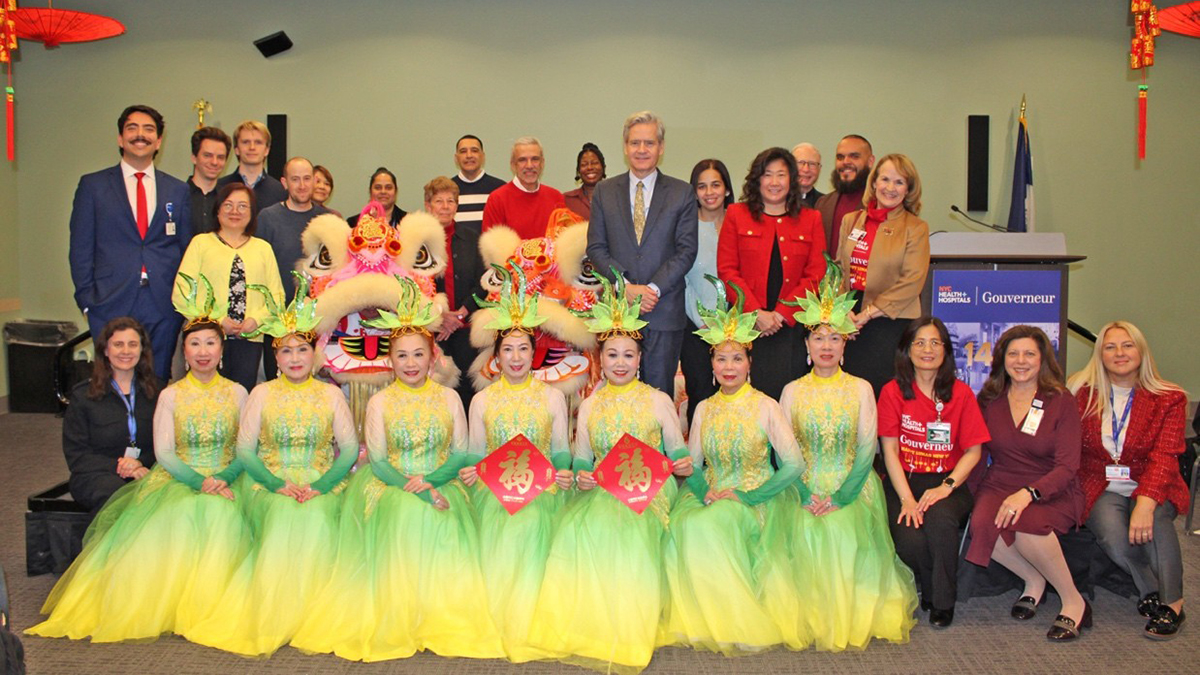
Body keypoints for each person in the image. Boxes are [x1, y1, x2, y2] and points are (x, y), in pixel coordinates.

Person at [291, 280, 502, 661]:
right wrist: (419, 488)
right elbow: (380, 459)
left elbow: (460, 453)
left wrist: (435, 481)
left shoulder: (450, 397)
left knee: (443, 521)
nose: (410, 363)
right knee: (406, 513)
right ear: (391, 360)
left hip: (442, 480)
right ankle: (401, 611)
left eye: (418, 354)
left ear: (432, 357)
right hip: (393, 483)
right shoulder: (381, 402)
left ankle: (437, 612)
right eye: (402, 356)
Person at [28, 281, 250, 642]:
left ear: (222, 349)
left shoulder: (161, 389)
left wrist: (217, 478)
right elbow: (159, 451)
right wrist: (196, 482)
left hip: (216, 474)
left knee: (224, 519)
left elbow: (243, 447)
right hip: (155, 473)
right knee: (159, 517)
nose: (203, 351)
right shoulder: (160, 394)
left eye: (211, 343)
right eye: (195, 343)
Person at [181, 274, 358, 657]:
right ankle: (275, 609)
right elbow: (245, 451)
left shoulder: (331, 394)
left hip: (321, 481)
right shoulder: (260, 394)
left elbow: (348, 450)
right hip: (270, 482)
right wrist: (277, 484)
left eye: (302, 351)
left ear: (315, 355)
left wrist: (321, 487)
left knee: (316, 517)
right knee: (284, 518)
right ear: (275, 358)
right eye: (286, 352)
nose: (295, 359)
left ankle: (314, 611)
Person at [527, 275, 696, 672]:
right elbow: (583, 456)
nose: (620, 363)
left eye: (628, 355)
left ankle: (631, 619)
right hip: (604, 489)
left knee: (628, 528)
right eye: (612, 355)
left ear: (640, 359)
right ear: (600, 359)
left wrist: (683, 464)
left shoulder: (657, 400)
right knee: (580, 528)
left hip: (651, 490)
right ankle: (591, 620)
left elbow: (678, 453)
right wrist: (584, 474)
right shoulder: (589, 405)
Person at [766, 259, 918, 651]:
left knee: (839, 528)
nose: (827, 346)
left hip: (851, 484)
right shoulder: (791, 391)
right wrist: (803, 493)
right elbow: (786, 455)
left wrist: (840, 497)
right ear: (806, 345)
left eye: (835, 338)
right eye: (818, 338)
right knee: (801, 529)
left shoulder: (862, 389)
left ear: (845, 345)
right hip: (802, 484)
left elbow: (868, 450)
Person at [660, 278, 802, 654]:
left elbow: (793, 466)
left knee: (711, 525)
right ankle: (707, 614)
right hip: (712, 492)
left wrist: (746, 494)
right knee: (683, 523)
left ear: (749, 363)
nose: (728, 366)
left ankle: (731, 618)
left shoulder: (765, 406)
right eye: (720, 358)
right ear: (711, 363)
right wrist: (705, 493)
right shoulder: (703, 408)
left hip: (756, 496)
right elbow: (692, 465)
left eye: (736, 358)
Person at [455, 269, 572, 662]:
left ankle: (532, 616)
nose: (517, 357)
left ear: (534, 352)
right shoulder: (483, 401)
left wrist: (561, 470)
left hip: (544, 488)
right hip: (494, 488)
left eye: (524, 349)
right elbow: (474, 452)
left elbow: (560, 452)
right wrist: (472, 469)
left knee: (532, 521)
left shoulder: (553, 397)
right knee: (500, 523)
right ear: (496, 355)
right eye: (509, 350)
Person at [966, 325, 1090, 641]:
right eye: (1013, 354)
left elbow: (1068, 466)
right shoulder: (989, 398)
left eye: (1029, 354)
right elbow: (978, 454)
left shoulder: (1061, 400)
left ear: (1042, 359)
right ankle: (1034, 581)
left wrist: (1029, 493)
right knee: (982, 523)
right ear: (1002, 359)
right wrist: (966, 494)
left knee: (1025, 526)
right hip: (1001, 481)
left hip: (1051, 485)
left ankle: (1073, 600)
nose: (1021, 361)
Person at [1068, 321, 1189, 639]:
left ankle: (1173, 603)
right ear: (1100, 355)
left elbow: (1165, 456)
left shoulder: (1169, 398)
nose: (1119, 353)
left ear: (1141, 351)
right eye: (1110, 347)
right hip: (1101, 483)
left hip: (1153, 482)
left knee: (1155, 525)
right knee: (1112, 536)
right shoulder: (1082, 394)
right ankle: (1150, 588)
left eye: (1127, 345)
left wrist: (1146, 503)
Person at [879, 316, 990, 627]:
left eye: (935, 343)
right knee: (910, 540)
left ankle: (942, 601)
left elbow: (974, 452)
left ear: (945, 351)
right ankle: (929, 585)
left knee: (940, 521)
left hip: (948, 481)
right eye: (919, 343)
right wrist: (906, 500)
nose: (927, 349)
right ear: (907, 350)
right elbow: (889, 450)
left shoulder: (962, 393)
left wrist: (947, 486)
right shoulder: (892, 391)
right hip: (904, 480)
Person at [68, 104, 192, 381]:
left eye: (149, 130)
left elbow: (185, 250)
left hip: (162, 302)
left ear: (159, 140)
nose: (140, 135)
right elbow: (80, 248)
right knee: (110, 381)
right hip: (109, 299)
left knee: (156, 378)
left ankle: (149, 427)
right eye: (132, 128)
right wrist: (87, 301)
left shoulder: (177, 190)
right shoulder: (93, 186)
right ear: (120, 138)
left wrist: (181, 301)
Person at [585, 111, 699, 396]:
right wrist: (625, 287)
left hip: (663, 310)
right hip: (618, 314)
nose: (642, 150)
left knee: (658, 398)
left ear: (660, 148)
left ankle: (655, 445)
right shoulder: (604, 191)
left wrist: (651, 289)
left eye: (649, 143)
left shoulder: (681, 192)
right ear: (625, 147)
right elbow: (596, 248)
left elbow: (686, 251)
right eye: (635, 143)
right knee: (619, 396)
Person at [717, 147, 826, 401]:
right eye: (768, 175)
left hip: (791, 327)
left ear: (792, 180)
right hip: (748, 325)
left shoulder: (811, 218)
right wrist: (756, 313)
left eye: (781, 175)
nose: (774, 182)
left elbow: (816, 274)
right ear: (757, 179)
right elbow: (727, 270)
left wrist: (781, 315)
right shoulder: (736, 214)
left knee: (788, 400)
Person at [835, 153, 930, 398]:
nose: (890, 188)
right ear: (874, 182)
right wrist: (844, 311)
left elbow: (912, 281)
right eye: (885, 179)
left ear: (908, 189)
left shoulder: (915, 228)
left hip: (890, 322)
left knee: (883, 395)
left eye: (899, 182)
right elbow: (837, 270)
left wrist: (868, 314)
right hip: (850, 320)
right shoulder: (851, 221)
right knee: (850, 394)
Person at [173, 183, 284, 393]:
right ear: (217, 209)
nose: (235, 211)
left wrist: (256, 320)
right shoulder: (201, 243)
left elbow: (276, 297)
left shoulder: (263, 249)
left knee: (241, 401)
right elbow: (182, 293)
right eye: (228, 205)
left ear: (252, 213)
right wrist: (217, 320)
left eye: (243, 206)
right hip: (207, 339)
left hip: (249, 340)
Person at [61, 316, 160, 513]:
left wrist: (141, 463)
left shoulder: (159, 392)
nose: (125, 351)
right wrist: (122, 466)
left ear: (142, 350)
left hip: (146, 469)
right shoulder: (83, 396)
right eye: (118, 344)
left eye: (133, 344)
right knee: (118, 496)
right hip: (97, 475)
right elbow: (77, 456)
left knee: (167, 494)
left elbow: (168, 444)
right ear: (106, 350)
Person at [257, 158, 331, 379]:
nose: (302, 185)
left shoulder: (326, 220)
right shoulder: (267, 218)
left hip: (316, 321)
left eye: (307, 178)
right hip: (277, 319)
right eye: (295, 179)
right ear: (284, 183)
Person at [423, 176, 485, 412]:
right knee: (437, 390)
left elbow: (483, 282)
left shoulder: (472, 238)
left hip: (466, 328)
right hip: (434, 330)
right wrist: (441, 316)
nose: (446, 206)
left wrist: (462, 312)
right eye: (439, 201)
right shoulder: (420, 242)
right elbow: (416, 283)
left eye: (451, 201)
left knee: (468, 389)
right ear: (428, 206)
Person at [681, 159, 733, 428]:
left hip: (738, 329)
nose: (709, 192)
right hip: (696, 328)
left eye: (715, 184)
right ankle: (698, 464)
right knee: (701, 396)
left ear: (726, 189)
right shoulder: (685, 227)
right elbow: (683, 280)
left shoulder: (740, 223)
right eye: (702, 186)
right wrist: (702, 321)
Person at [481, 137, 565, 239]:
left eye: (535, 159)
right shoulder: (497, 200)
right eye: (522, 160)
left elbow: (564, 242)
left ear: (542, 163)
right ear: (513, 165)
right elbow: (491, 248)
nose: (529, 165)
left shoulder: (556, 198)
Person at [814, 134, 874, 246]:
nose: (846, 162)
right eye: (840, 157)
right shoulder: (823, 204)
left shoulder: (879, 204)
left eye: (854, 156)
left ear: (870, 161)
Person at [217, 120, 286, 214]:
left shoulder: (280, 192)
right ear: (236, 149)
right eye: (246, 142)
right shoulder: (220, 188)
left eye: (258, 142)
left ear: (267, 150)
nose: (252, 147)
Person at [451, 134, 506, 233]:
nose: (469, 155)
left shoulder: (500, 189)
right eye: (463, 151)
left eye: (474, 150)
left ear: (483, 156)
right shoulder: (446, 190)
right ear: (456, 158)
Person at [187, 126, 231, 234]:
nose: (214, 162)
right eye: (207, 155)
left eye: (220, 157)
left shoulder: (229, 199)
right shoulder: (177, 196)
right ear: (194, 157)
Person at [562, 142, 605, 220]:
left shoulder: (616, 197)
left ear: (603, 167)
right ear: (578, 171)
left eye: (594, 163)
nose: (589, 168)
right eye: (584, 164)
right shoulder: (567, 200)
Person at [791, 142, 824, 207]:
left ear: (819, 169)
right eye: (801, 163)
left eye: (812, 164)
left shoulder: (826, 203)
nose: (806, 169)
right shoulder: (779, 201)